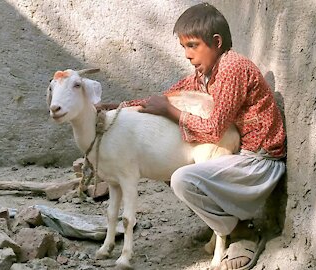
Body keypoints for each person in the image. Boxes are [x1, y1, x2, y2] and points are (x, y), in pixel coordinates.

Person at [103, 3, 286, 269]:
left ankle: (241, 231)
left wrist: (170, 111)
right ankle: (225, 225)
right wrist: (120, 108)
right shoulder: (204, 75)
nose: (188, 55)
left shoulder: (233, 68)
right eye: (184, 48)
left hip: (259, 164)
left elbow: (214, 129)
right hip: (241, 159)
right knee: (172, 165)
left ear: (217, 42)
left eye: (192, 46)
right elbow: (165, 98)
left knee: (181, 177)